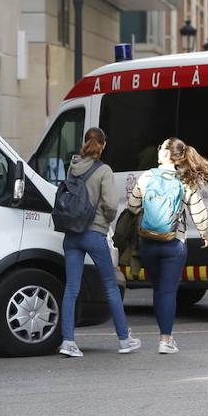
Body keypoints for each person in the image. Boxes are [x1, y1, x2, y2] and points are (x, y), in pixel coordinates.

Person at [127, 137, 208, 355]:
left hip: (148, 243)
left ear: (166, 153)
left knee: (158, 289)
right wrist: (204, 233)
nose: (158, 150)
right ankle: (165, 339)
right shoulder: (184, 180)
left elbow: (132, 206)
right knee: (168, 291)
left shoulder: (146, 177)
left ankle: (164, 334)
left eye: (161, 147)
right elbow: (197, 210)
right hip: (174, 243)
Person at [58, 128, 141, 357]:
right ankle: (124, 340)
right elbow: (111, 204)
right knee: (110, 286)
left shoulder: (72, 167)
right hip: (94, 233)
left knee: (71, 288)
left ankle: (68, 341)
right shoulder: (104, 170)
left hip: (71, 234)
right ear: (103, 145)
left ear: (85, 143)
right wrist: (105, 219)